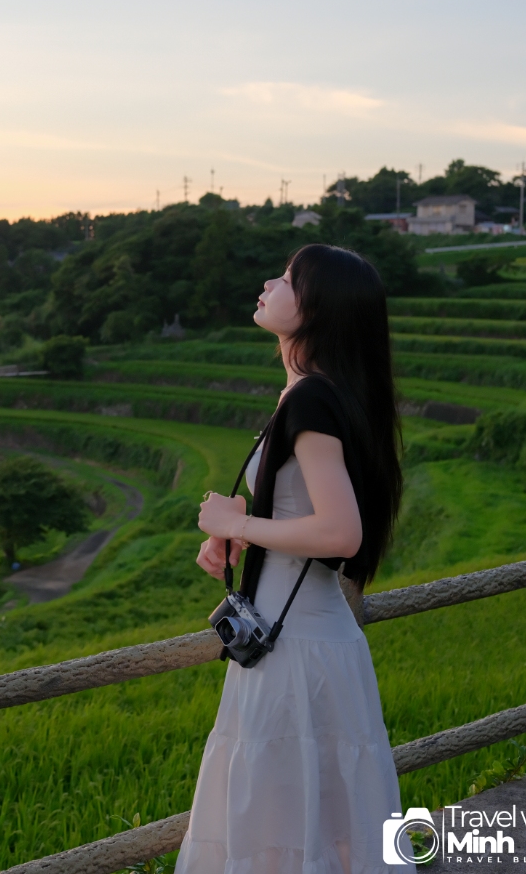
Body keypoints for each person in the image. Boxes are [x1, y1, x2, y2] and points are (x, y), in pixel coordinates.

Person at [175, 243, 404, 874]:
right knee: (306, 822)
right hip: (298, 637)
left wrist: (236, 522)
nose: (268, 285)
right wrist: (244, 535)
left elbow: (341, 533)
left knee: (280, 817)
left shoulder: (311, 399)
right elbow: (308, 509)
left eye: (285, 279)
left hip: (297, 649)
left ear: (317, 309)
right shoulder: (313, 393)